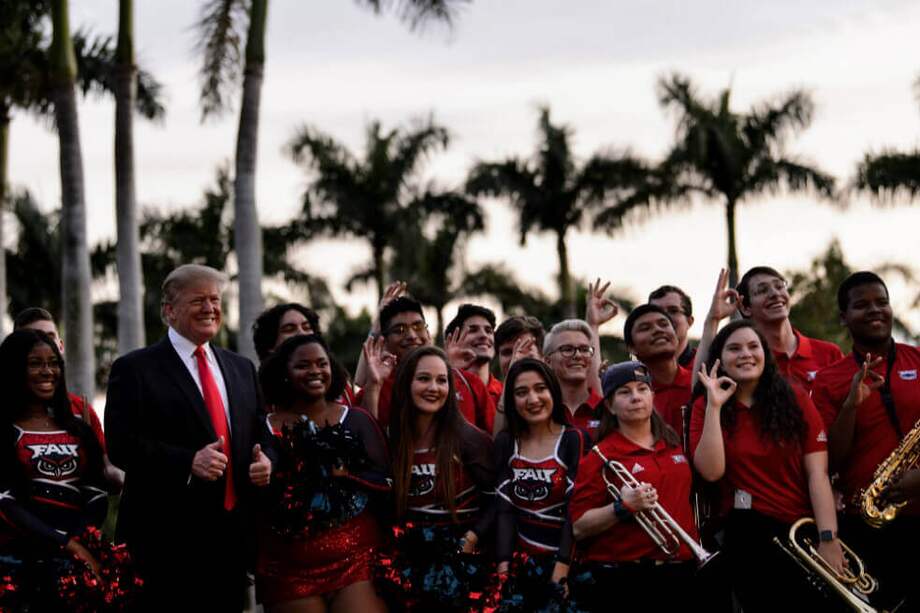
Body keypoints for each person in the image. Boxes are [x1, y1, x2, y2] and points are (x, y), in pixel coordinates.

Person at [104, 264, 277, 611]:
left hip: (229, 544)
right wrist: (188, 461)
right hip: (162, 546)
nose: (210, 308)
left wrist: (267, 458)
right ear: (169, 311)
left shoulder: (241, 368)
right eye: (198, 300)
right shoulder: (134, 369)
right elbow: (121, 445)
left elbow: (261, 429)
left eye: (215, 299)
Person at [690, 320, 844, 613]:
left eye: (753, 346)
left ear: (765, 353)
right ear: (719, 359)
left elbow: (818, 475)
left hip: (800, 531)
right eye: (734, 348)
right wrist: (714, 405)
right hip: (745, 534)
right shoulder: (705, 406)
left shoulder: (795, 397)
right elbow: (711, 472)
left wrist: (829, 538)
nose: (745, 354)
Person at [255, 334, 390, 612]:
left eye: (322, 363)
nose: (315, 371)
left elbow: (387, 483)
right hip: (287, 569)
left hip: (356, 559)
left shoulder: (356, 419)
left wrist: (347, 475)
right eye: (303, 365)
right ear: (283, 373)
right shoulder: (262, 426)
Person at [812, 271, 920, 610]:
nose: (875, 311)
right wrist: (850, 406)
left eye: (882, 302)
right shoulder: (830, 380)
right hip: (869, 522)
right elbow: (833, 460)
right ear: (844, 318)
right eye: (861, 306)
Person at [569, 361, 698, 611]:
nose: (636, 397)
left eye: (642, 389)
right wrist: (622, 507)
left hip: (681, 573)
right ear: (610, 405)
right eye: (624, 392)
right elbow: (579, 527)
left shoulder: (673, 444)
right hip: (624, 580)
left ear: (652, 395)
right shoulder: (600, 457)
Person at [381, 345, 495, 610]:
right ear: (406, 384)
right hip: (409, 565)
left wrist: (471, 539)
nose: (434, 387)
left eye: (442, 380)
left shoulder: (470, 440)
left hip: (462, 562)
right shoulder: (392, 438)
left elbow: (498, 502)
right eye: (423, 379)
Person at [0, 329, 108, 609]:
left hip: (75, 565)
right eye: (35, 363)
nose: (47, 371)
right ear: (14, 369)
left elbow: (95, 492)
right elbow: (6, 501)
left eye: (53, 363)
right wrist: (67, 544)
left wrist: (82, 540)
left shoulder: (79, 429)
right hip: (16, 565)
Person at [494, 359, 587, 607]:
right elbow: (504, 509)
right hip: (521, 564)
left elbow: (575, 509)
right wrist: (504, 564)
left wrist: (562, 566)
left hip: (569, 565)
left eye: (540, 388)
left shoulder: (574, 439)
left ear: (553, 391)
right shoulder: (506, 442)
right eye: (521, 392)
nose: (533, 399)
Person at [13, 307, 122, 488]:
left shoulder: (81, 410)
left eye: (49, 337)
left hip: (78, 514)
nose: (44, 344)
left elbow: (107, 467)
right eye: (33, 338)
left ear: (61, 346)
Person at [360, 295, 495, 432]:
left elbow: (495, 441)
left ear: (428, 333)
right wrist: (374, 386)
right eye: (399, 330)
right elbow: (364, 439)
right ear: (385, 341)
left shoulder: (470, 383)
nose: (412, 336)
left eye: (418, 326)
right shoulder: (376, 387)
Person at [737, 266, 843, 390]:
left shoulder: (829, 354)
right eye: (762, 290)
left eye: (779, 286)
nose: (775, 294)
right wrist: (714, 319)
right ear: (745, 308)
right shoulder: (747, 363)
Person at [252, 302, 357, 407]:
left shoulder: (342, 389)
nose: (302, 333)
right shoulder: (256, 396)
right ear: (270, 346)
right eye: (290, 329)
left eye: (307, 328)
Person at [623, 304, 692, 442]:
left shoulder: (701, 383)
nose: (658, 330)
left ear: (676, 337)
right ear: (631, 348)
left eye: (664, 324)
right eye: (645, 328)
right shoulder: (630, 398)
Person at [443, 303, 502, 406]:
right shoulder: (441, 389)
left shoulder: (505, 395)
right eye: (473, 330)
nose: (484, 335)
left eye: (488, 331)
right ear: (452, 340)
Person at [649, 285, 697, 368]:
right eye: (656, 311)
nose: (664, 317)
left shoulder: (707, 367)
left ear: (689, 322)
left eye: (673, 311)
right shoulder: (637, 371)